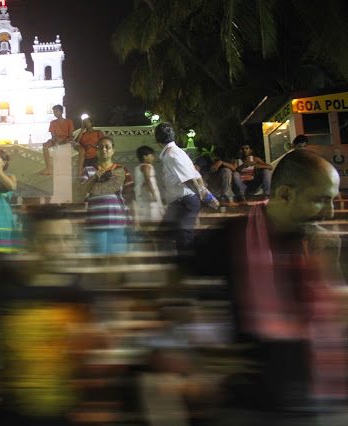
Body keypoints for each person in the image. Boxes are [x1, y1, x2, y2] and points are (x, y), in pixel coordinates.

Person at [194, 150, 348, 425]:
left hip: (321, 400)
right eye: (320, 200)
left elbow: (336, 318)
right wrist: (202, 349)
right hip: (250, 407)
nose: (331, 212)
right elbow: (175, 281)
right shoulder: (232, 238)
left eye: (332, 201)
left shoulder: (324, 244)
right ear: (286, 194)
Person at [0, 204, 98, 426]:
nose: (63, 248)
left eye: (67, 238)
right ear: (31, 243)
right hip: (11, 414)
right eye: (52, 240)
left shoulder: (81, 293)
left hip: (66, 414)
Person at [78, 136, 136, 254]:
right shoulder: (88, 170)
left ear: (113, 150)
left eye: (107, 147)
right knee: (99, 263)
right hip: (95, 224)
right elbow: (80, 192)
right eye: (101, 147)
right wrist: (94, 177)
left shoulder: (123, 170)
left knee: (118, 264)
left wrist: (136, 221)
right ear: (97, 151)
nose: (104, 149)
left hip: (119, 223)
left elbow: (130, 197)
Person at [155, 122, 203, 251]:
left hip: (184, 202)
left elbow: (191, 180)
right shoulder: (178, 152)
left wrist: (200, 197)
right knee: (167, 236)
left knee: (183, 239)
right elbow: (198, 177)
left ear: (157, 140)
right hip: (180, 203)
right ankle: (177, 267)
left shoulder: (172, 154)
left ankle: (186, 268)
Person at [40, 105, 79, 176]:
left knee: (71, 147)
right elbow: (53, 135)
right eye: (54, 112)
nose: (55, 113)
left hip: (67, 139)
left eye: (57, 111)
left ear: (61, 112)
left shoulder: (69, 121)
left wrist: (66, 140)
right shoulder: (53, 122)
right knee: (45, 145)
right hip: (56, 139)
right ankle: (48, 169)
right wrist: (57, 139)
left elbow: (71, 135)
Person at [134, 145, 165, 225]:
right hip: (148, 192)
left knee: (145, 212)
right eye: (151, 155)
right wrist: (152, 193)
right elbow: (147, 179)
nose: (153, 157)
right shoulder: (146, 167)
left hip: (141, 192)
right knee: (152, 210)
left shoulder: (137, 167)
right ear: (145, 157)